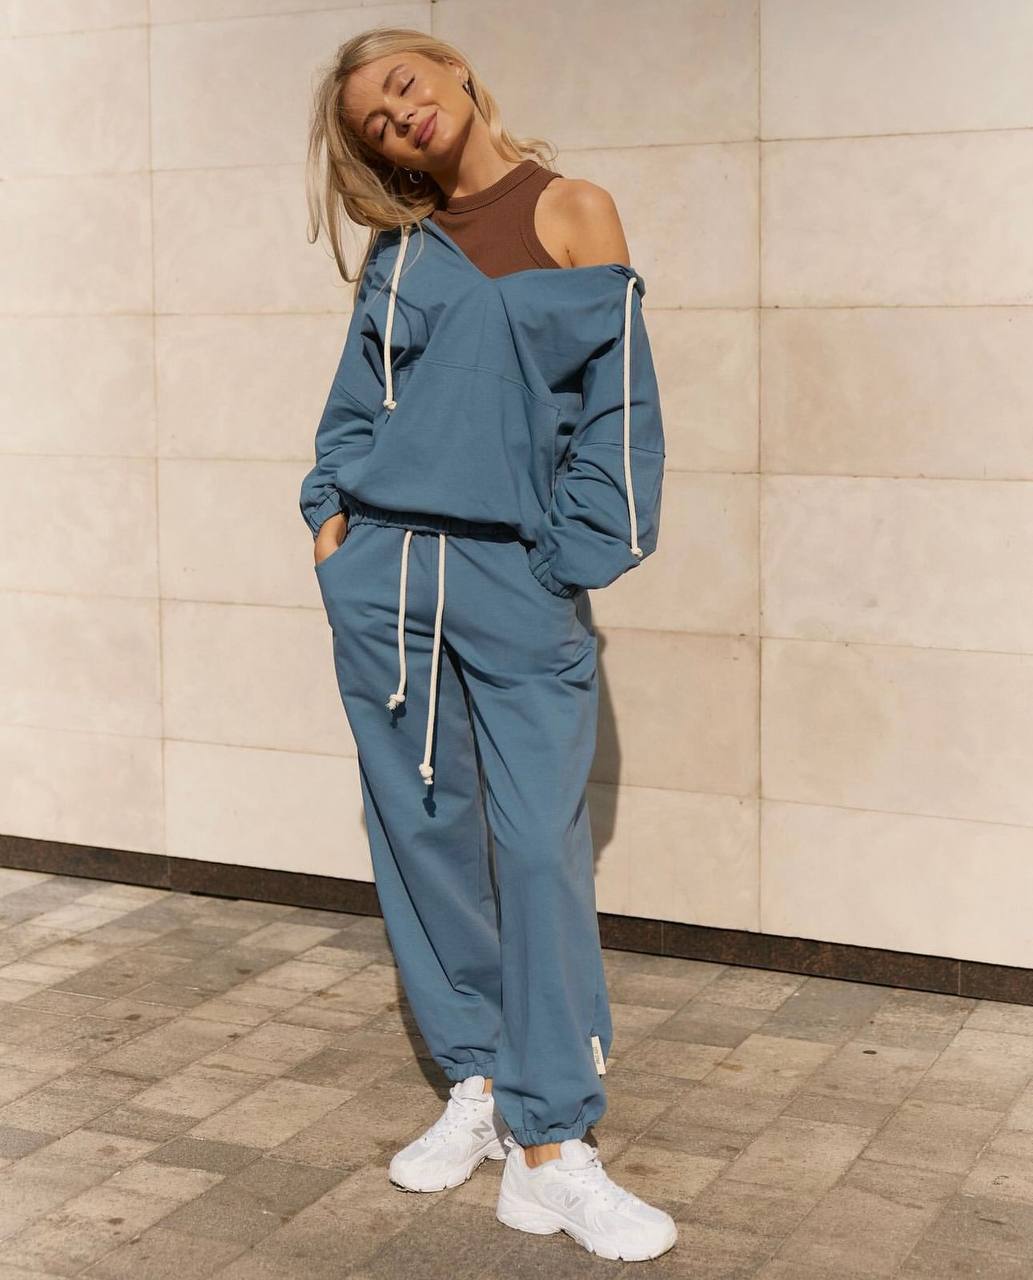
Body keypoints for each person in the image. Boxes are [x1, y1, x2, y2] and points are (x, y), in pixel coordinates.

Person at [299, 27, 674, 1263]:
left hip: (514, 575)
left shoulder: (572, 209)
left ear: (453, 70)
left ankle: (554, 1139)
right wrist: (329, 517)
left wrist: (572, 558)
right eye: (372, 121)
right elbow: (355, 406)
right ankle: (476, 1080)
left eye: (405, 85)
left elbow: (619, 406)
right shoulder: (399, 257)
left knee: (537, 849)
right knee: (420, 834)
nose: (398, 116)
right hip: (388, 575)